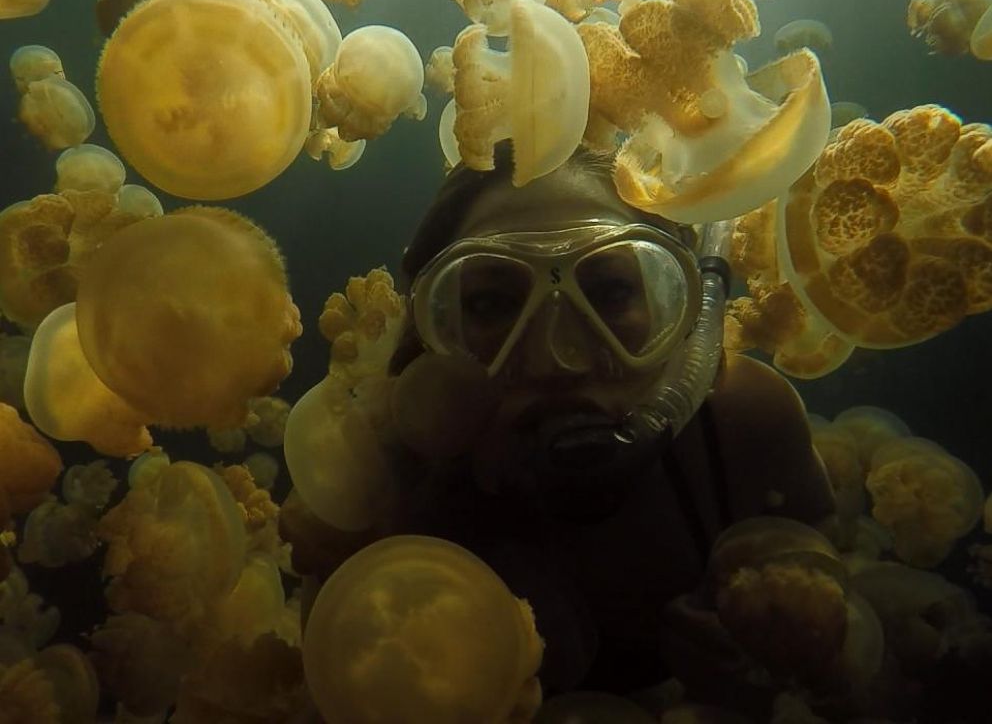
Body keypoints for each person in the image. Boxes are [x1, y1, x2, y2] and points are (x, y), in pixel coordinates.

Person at [292, 143, 837, 710]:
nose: (561, 359)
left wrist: (794, 652)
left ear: (678, 306)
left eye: (610, 292)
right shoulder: (374, 500)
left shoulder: (741, 425)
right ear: (432, 332)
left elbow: (837, 564)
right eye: (493, 303)